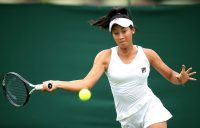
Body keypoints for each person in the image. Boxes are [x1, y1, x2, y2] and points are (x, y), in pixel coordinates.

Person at [42, 8, 197, 128]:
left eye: (124, 31)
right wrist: (57, 83)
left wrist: (180, 79)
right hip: (127, 117)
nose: (121, 36)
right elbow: (85, 84)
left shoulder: (148, 54)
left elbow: (171, 76)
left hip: (150, 108)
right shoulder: (105, 57)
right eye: (116, 33)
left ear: (132, 30)